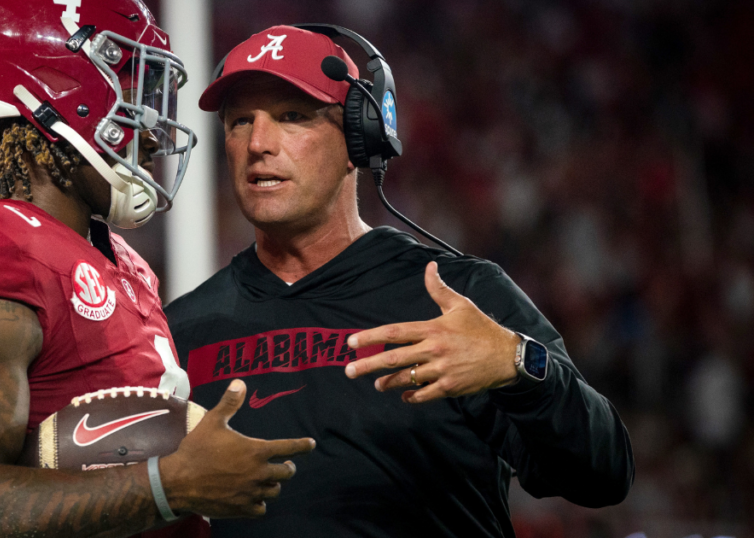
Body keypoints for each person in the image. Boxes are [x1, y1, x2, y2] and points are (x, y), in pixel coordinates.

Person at [165, 25, 634, 537]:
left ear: (359, 140)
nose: (257, 143)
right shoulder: (179, 330)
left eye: (291, 117)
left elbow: (604, 475)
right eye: (239, 122)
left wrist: (519, 365)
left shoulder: (456, 296)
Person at [0, 4, 314, 537]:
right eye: (132, 93)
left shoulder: (118, 258)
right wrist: (169, 486)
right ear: (52, 89)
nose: (153, 130)